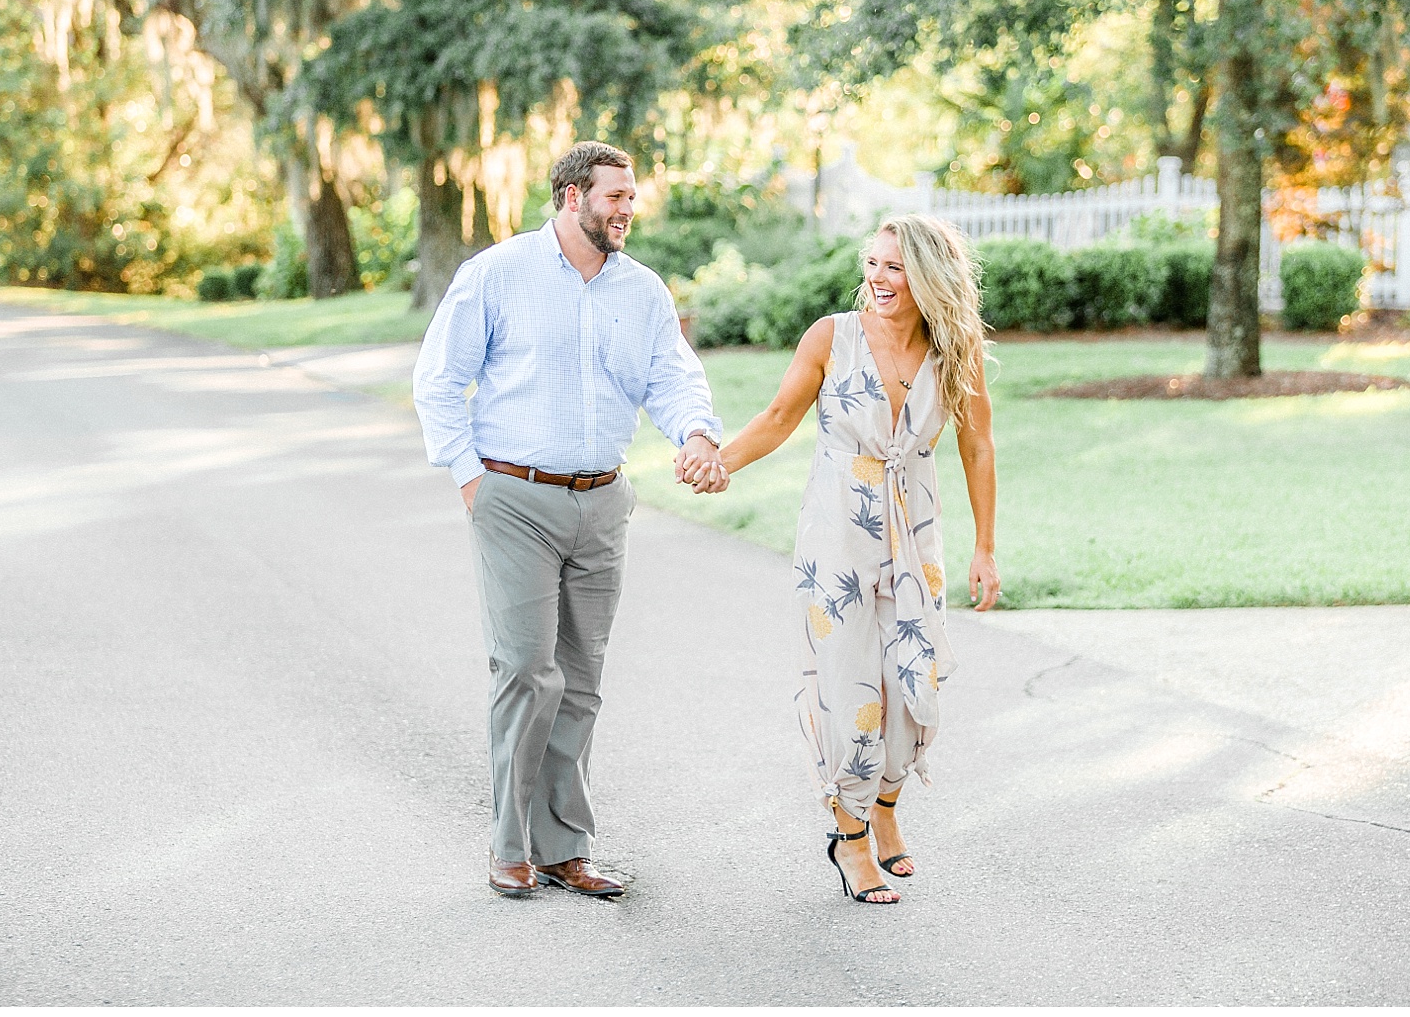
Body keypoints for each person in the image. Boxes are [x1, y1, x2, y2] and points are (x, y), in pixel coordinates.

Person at [413, 140, 728, 900]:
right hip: (514, 497)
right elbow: (438, 380)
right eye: (614, 196)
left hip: (604, 500)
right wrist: (470, 481)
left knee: (581, 681)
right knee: (526, 670)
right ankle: (510, 845)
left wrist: (696, 432)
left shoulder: (642, 289)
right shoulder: (497, 274)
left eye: (630, 197)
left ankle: (566, 847)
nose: (626, 209)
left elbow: (671, 376)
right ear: (569, 195)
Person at [709, 213, 1000, 904]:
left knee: (912, 685)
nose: (877, 277)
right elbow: (779, 417)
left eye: (894, 266)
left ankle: (888, 807)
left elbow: (978, 445)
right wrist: (718, 463)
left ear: (928, 276)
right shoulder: (831, 337)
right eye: (872, 263)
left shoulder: (954, 348)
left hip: (914, 534)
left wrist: (985, 545)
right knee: (851, 691)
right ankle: (851, 838)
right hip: (837, 534)